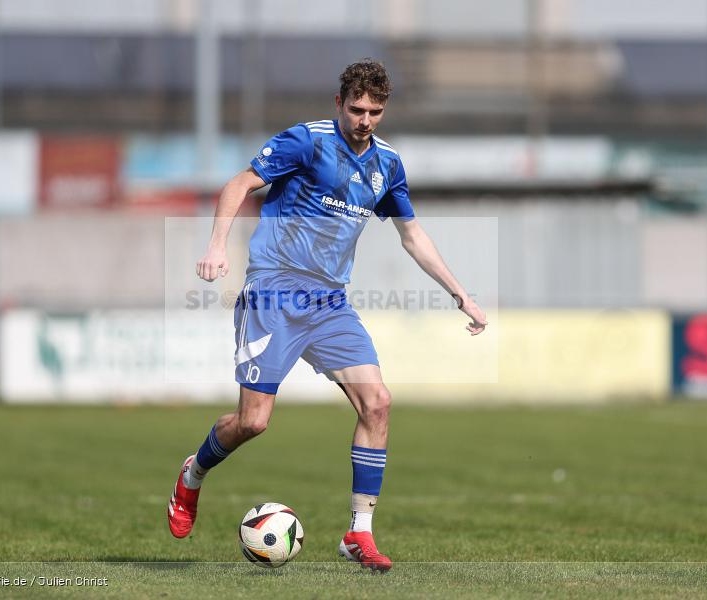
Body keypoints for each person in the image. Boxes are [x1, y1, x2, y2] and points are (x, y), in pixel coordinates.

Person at [168, 59, 487, 572]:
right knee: (253, 422)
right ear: (339, 103)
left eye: (375, 111)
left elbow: (412, 235)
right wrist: (216, 246)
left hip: (330, 302)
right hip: (273, 292)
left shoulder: (387, 165)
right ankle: (193, 476)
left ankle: (358, 533)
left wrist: (460, 294)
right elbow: (236, 185)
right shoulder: (307, 141)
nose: (364, 119)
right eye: (356, 109)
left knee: (378, 402)